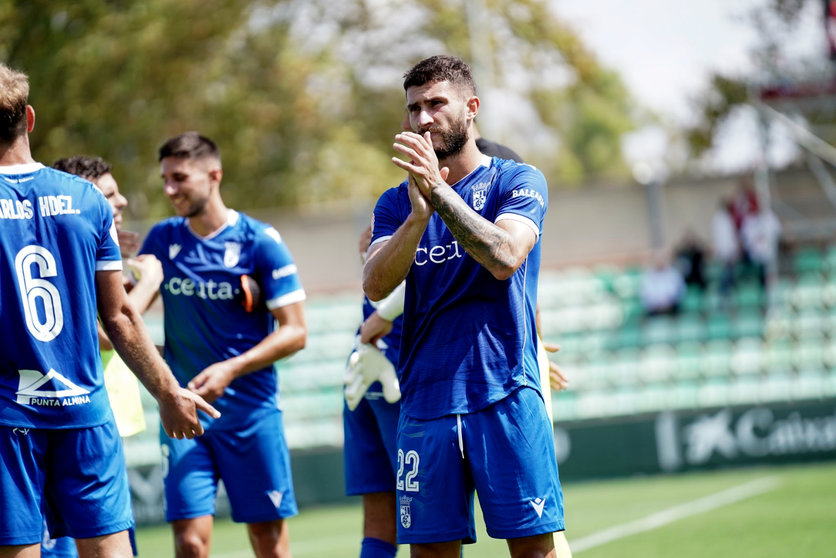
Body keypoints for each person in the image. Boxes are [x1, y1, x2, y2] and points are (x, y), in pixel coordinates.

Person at [0, 63, 215, 558]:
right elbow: (119, 316)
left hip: (10, 415)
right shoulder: (86, 200)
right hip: (85, 412)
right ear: (29, 119)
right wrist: (167, 391)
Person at [363, 55, 564, 558]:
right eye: (413, 109)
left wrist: (440, 195)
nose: (423, 119)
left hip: (505, 395)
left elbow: (504, 256)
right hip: (425, 404)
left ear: (471, 107)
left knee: (535, 550)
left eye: (436, 104)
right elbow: (375, 284)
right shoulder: (394, 203)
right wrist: (416, 217)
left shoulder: (517, 180)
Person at [138, 132, 307, 558]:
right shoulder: (161, 239)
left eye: (179, 178)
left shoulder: (259, 240)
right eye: (165, 179)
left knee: (268, 543)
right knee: (190, 543)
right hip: (185, 415)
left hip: (251, 414)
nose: (169, 190)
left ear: (214, 174)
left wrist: (231, 368)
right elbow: (127, 317)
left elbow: (295, 331)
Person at [37, 156, 165, 558]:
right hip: (69, 419)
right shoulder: (59, 251)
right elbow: (108, 331)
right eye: (110, 194)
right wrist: (151, 282)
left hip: (98, 421)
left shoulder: (94, 250)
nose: (122, 201)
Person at [342, 225, 405, 558]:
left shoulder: (386, 214)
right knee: (434, 521)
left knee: (380, 521)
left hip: (364, 369)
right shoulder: (418, 209)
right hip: (396, 378)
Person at [639, 251, 686, 317]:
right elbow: (645, 294)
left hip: (671, 307)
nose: (660, 261)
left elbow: (679, 291)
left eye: (662, 259)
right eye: (658, 259)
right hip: (654, 308)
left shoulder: (674, 274)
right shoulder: (648, 275)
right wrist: (656, 304)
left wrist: (668, 303)